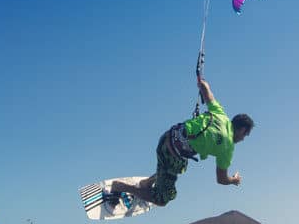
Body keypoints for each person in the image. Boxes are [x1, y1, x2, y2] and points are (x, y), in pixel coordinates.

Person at [109, 76, 254, 207]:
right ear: (241, 130)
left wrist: (202, 82)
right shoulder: (227, 148)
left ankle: (146, 183)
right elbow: (221, 179)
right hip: (173, 154)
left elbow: (206, 90)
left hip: (167, 138)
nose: (242, 139)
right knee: (162, 199)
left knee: (180, 164)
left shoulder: (221, 114)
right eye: (245, 136)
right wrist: (233, 180)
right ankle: (120, 187)